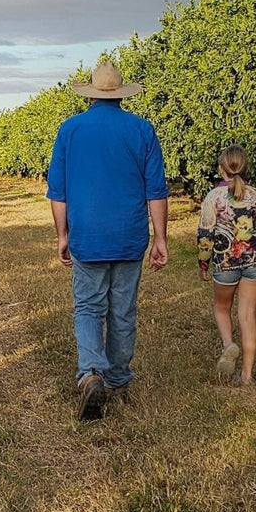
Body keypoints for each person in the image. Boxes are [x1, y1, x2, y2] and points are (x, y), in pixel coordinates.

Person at [46, 60, 169, 419]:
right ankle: (117, 378)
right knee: (123, 309)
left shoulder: (70, 130)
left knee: (88, 307)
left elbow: (58, 192)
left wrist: (62, 235)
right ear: (120, 94)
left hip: (88, 234)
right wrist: (160, 238)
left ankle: (90, 374)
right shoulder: (142, 130)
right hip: (130, 235)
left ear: (91, 94)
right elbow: (156, 191)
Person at [197, 145, 256, 386]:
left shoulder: (214, 198)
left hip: (225, 264)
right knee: (247, 316)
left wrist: (203, 263)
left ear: (222, 169)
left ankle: (228, 345)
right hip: (255, 263)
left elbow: (205, 233)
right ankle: (247, 375)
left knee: (222, 307)